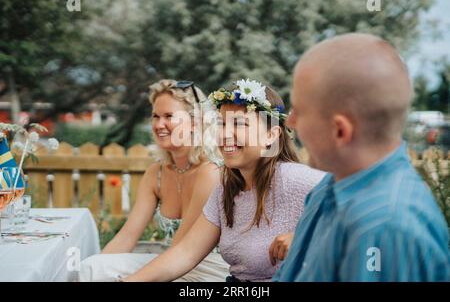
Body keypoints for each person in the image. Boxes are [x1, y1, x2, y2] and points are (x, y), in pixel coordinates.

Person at [274, 33, 450, 282]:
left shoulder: (386, 226)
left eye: (299, 111)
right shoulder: (329, 188)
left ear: (340, 131)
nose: (290, 122)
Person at [123, 79, 325, 282]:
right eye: (222, 124)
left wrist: (305, 238)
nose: (225, 135)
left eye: (239, 124)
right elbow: (186, 253)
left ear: (271, 134)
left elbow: (355, 196)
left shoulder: (292, 178)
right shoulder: (226, 190)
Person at [80, 79, 229, 281]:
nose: (159, 125)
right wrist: (94, 269)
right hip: (168, 261)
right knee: (91, 268)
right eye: (155, 116)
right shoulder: (156, 173)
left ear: (195, 123)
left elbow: (182, 249)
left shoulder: (211, 172)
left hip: (206, 269)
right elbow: (127, 236)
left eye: (169, 116)